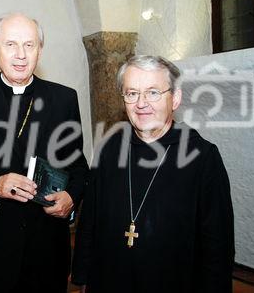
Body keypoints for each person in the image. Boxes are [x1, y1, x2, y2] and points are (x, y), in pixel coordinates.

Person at [0, 13, 88, 292]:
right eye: (10, 44)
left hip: (48, 248)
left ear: (40, 50)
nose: (21, 55)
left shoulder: (63, 99)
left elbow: (78, 166)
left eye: (30, 45)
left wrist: (71, 196)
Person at [72, 55, 235, 293]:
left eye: (153, 93)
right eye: (132, 93)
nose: (141, 103)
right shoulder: (110, 149)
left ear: (175, 98)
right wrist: (82, 276)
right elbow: (90, 220)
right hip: (109, 278)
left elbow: (217, 243)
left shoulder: (202, 157)